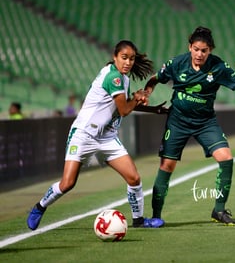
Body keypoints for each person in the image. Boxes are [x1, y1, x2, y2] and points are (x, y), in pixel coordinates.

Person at [27, 40, 154, 230]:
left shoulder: (122, 78)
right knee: (68, 183)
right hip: (84, 134)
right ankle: (39, 207)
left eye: (132, 59)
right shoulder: (114, 78)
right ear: (115, 57)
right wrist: (136, 98)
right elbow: (125, 110)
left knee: (134, 178)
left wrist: (141, 102)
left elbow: (121, 107)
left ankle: (139, 220)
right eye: (124, 58)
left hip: (107, 137)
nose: (128, 62)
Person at [143, 26, 235, 227]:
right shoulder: (177, 63)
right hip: (178, 121)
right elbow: (155, 79)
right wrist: (146, 93)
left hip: (206, 122)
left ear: (210, 51)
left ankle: (219, 209)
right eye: (196, 49)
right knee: (167, 166)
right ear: (190, 47)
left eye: (204, 51)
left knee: (226, 158)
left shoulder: (218, 67)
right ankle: (156, 216)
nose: (199, 54)